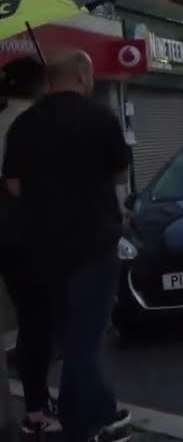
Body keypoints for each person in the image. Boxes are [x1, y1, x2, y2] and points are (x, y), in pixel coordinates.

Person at [3, 51, 132, 442]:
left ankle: (104, 411)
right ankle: (83, 425)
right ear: (82, 75)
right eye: (90, 75)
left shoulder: (23, 126)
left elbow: (13, 186)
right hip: (93, 247)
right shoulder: (100, 118)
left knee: (70, 335)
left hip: (44, 250)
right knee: (83, 342)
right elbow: (120, 170)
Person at [0, 57, 59, 435]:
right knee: (39, 321)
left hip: (9, 235)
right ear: (40, 85)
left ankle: (38, 404)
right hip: (30, 233)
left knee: (31, 318)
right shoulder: (35, 124)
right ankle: (37, 408)